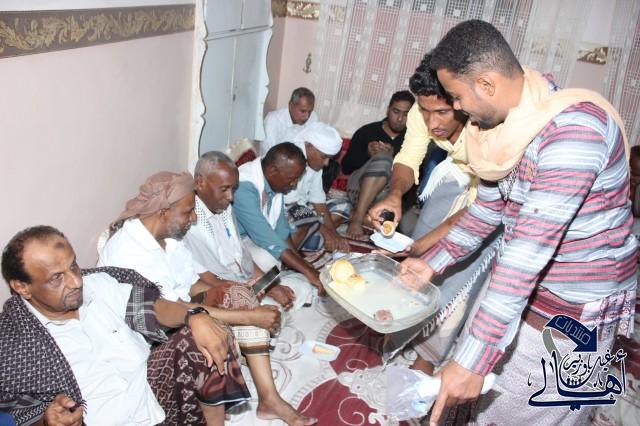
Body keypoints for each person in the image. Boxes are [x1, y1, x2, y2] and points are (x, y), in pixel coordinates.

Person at [401, 20, 636, 425]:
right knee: (489, 389)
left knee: (541, 406)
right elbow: (486, 211)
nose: (457, 108)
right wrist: (431, 264)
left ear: (487, 84)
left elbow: (528, 254)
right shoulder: (502, 128)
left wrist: (472, 361)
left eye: (456, 96)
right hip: (521, 279)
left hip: (575, 299)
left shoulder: (575, 133)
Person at [99, 171, 316, 426]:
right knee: (205, 339)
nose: (193, 219)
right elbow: (171, 310)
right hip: (148, 350)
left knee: (237, 293)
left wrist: (232, 291)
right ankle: (212, 412)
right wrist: (247, 316)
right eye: (188, 212)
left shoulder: (168, 238)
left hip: (179, 320)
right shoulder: (130, 253)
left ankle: (269, 399)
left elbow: (192, 285)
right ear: (164, 212)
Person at [0, 226, 249, 425]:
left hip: (155, 402)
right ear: (22, 287)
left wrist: (194, 316)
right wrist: (46, 421)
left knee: (198, 334)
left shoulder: (99, 284)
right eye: (57, 278)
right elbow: (19, 413)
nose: (76, 281)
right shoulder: (12, 343)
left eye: (73, 265)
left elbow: (153, 308)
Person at [373, 54, 500, 377]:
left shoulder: (490, 129)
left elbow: (477, 213)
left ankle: (428, 354)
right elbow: (408, 157)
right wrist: (394, 195)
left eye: (442, 112)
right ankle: (403, 327)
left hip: (490, 196)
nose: (432, 123)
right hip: (455, 175)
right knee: (418, 257)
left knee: (459, 276)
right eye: (425, 111)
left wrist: (421, 247)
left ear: (462, 101)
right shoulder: (424, 109)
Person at [184, 151, 297, 310]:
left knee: (297, 290)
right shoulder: (189, 221)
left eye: (234, 189)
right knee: (271, 311)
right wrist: (248, 292)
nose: (231, 197)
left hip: (241, 280)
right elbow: (207, 278)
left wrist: (268, 285)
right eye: (224, 189)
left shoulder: (225, 208)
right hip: (218, 289)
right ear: (199, 182)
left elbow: (242, 255)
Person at [233, 142, 325, 294]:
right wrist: (308, 272)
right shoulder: (243, 187)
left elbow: (281, 229)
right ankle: (253, 291)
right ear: (272, 171)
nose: (294, 185)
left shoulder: (274, 184)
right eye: (292, 178)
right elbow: (266, 238)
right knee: (269, 261)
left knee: (280, 258)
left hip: (251, 238)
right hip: (232, 242)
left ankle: (266, 284)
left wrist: (304, 265)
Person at [341, 90, 414, 237]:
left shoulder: (413, 140)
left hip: (389, 195)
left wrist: (394, 157)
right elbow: (346, 167)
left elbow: (415, 182)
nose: (400, 118)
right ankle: (357, 218)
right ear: (388, 110)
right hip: (359, 191)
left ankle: (366, 217)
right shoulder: (367, 131)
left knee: (412, 230)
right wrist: (368, 154)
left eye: (406, 114)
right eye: (395, 112)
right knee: (383, 159)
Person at [284, 122, 351, 252]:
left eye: (329, 158)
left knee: (345, 205)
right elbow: (291, 205)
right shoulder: (291, 159)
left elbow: (318, 200)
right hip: (285, 212)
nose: (326, 163)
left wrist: (334, 235)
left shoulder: (314, 164)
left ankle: (312, 230)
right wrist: (325, 231)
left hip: (304, 208)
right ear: (309, 145)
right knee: (317, 241)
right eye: (324, 157)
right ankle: (308, 233)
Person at [262, 87, 318, 156]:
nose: (307, 116)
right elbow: (267, 155)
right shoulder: (273, 121)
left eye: (310, 112)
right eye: (303, 111)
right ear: (291, 105)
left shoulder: (313, 117)